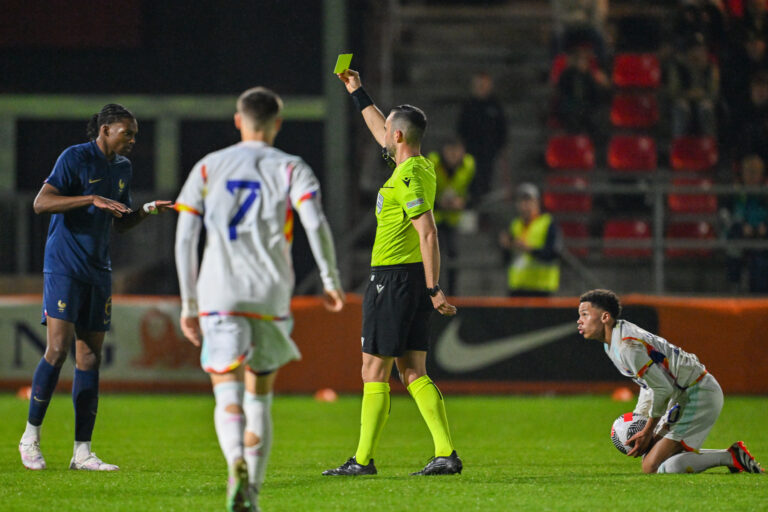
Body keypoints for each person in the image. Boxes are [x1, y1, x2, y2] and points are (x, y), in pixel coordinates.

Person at [174, 87, 345, 511]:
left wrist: (188, 303)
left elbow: (184, 237)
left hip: (220, 293)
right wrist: (329, 277)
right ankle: (251, 494)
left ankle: (235, 461)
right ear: (278, 123)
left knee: (225, 392)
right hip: (269, 295)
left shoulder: (209, 166)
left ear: (238, 120)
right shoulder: (291, 167)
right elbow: (315, 221)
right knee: (260, 395)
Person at [18, 104, 174, 472]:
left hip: (98, 270)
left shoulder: (122, 168)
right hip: (64, 266)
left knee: (89, 358)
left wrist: (145, 211)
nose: (133, 140)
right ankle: (30, 438)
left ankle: (82, 452)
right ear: (105, 130)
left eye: (135, 134)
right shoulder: (75, 157)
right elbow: (42, 203)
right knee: (57, 350)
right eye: (127, 132)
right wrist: (89, 198)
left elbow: (118, 222)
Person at [324, 69, 461, 477]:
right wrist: (356, 91)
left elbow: (428, 231)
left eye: (388, 129)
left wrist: (435, 287)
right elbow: (380, 128)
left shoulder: (407, 177)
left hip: (395, 280)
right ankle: (444, 453)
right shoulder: (421, 167)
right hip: (409, 279)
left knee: (373, 369)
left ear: (398, 137)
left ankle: (362, 461)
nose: (382, 132)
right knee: (412, 370)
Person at [577, 289, 764, 474]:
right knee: (657, 463)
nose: (579, 320)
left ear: (605, 317)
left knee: (652, 466)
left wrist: (648, 429)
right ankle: (731, 456)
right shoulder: (614, 341)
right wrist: (639, 416)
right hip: (682, 396)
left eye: (585, 314)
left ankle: (730, 457)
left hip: (697, 393)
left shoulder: (627, 345)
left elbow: (662, 389)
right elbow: (649, 383)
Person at [427, 137, 476, 294]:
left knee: (453, 255)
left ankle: (452, 295)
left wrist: (464, 202)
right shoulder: (431, 162)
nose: (454, 155)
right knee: (434, 256)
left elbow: (477, 190)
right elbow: (419, 190)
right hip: (433, 217)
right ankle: (432, 291)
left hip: (455, 218)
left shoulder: (469, 165)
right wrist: (438, 203)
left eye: (457, 151)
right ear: (444, 151)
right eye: (451, 151)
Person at [498, 183, 562, 297]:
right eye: (521, 201)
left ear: (537, 202)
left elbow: (553, 253)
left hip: (541, 288)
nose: (524, 205)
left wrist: (530, 249)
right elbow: (507, 260)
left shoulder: (547, 223)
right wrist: (506, 247)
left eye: (528, 201)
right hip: (518, 287)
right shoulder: (514, 225)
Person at [456, 72, 507, 205]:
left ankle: (485, 217)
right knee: (470, 185)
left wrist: (500, 150)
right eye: (478, 85)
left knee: (487, 187)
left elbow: (502, 130)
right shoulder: (467, 106)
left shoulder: (495, 105)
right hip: (470, 153)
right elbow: (461, 129)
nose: (481, 88)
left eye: (484, 85)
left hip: (490, 154)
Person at [724, 154, 768, 292]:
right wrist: (741, 226)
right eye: (748, 172)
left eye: (755, 172)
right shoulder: (736, 193)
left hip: (762, 237)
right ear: (742, 173)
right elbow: (726, 215)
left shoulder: (765, 193)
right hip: (740, 234)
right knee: (734, 245)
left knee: (760, 259)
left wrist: (765, 226)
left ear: (761, 174)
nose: (752, 176)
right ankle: (735, 285)